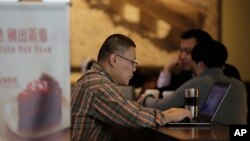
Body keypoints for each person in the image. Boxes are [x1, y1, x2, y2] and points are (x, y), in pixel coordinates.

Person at [71, 34, 191, 141]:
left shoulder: (93, 79)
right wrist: (171, 115)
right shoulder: (99, 85)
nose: (134, 68)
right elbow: (134, 116)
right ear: (114, 59)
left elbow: (128, 109)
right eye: (132, 62)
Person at [141, 40, 247, 125]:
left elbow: (161, 106)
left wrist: (145, 98)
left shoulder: (199, 82)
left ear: (201, 64)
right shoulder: (239, 85)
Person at [157, 29, 241, 94]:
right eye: (181, 51)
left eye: (187, 52)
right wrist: (167, 69)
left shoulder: (227, 72)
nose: (182, 57)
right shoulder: (184, 75)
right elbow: (164, 100)